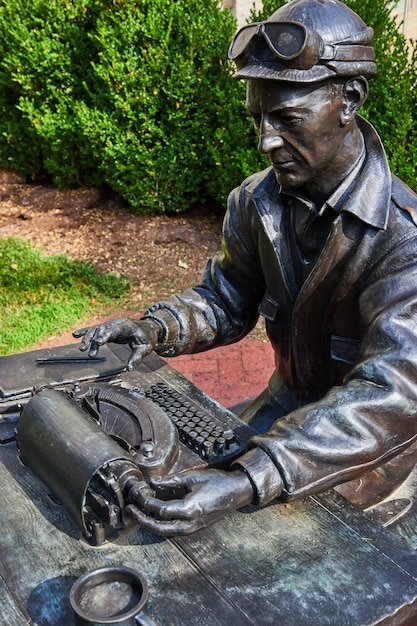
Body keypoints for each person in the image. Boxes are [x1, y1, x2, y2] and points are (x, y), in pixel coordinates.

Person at [74, 0, 417, 535]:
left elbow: (391, 395)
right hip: (277, 411)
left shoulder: (403, 237)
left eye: (287, 119)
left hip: (364, 453)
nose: (265, 141)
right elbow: (224, 298)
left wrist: (249, 478)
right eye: (258, 119)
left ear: (349, 99)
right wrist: (154, 326)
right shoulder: (255, 201)